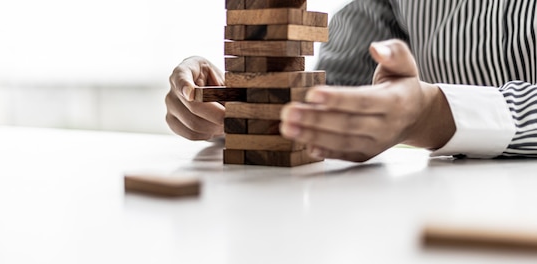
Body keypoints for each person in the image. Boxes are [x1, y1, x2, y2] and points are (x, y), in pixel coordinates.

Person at [165, 0, 537, 162]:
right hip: (437, 201)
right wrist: (245, 105)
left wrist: (435, 114)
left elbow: (420, 111)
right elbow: (338, 88)